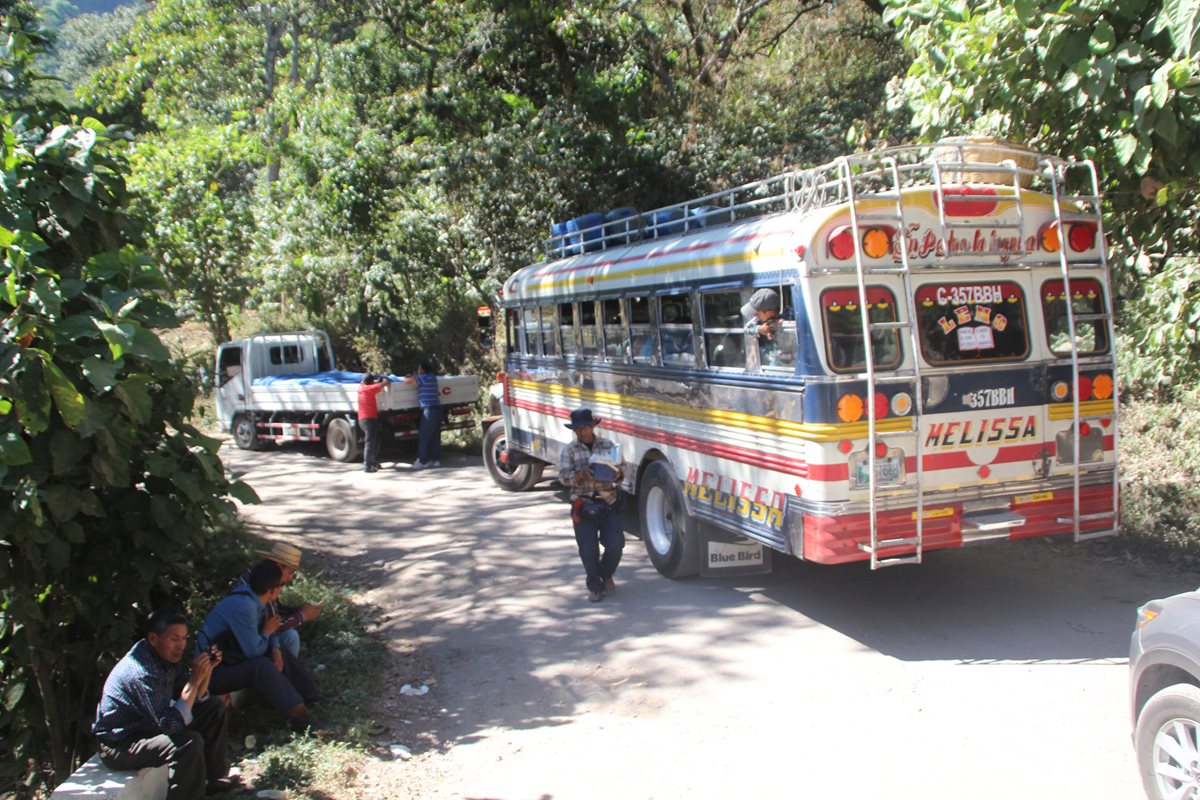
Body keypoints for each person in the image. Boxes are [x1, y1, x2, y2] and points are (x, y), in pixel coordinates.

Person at [93, 610, 234, 798]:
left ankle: (213, 778)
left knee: (213, 706)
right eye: (174, 639)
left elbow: (196, 696)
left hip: (149, 726)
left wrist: (206, 670)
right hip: (121, 744)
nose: (181, 645)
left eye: (184, 638)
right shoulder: (142, 672)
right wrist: (195, 678)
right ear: (153, 638)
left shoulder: (164, 656)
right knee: (188, 743)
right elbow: (171, 724)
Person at [198, 561, 319, 733]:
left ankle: (310, 695)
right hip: (213, 671)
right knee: (260, 666)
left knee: (279, 653)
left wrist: (275, 647)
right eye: (279, 587)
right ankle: (300, 719)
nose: (280, 591)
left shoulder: (255, 598)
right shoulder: (244, 607)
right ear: (272, 590)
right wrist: (267, 633)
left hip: (231, 658)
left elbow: (267, 631)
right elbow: (254, 651)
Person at [558, 408, 626, 602]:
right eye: (578, 429)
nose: (582, 431)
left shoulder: (608, 445)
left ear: (592, 427)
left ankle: (606, 575)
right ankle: (595, 586)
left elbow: (622, 469)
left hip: (608, 501)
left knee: (616, 544)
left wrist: (618, 474)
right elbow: (563, 477)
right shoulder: (569, 450)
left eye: (585, 427)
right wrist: (578, 475)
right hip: (582, 503)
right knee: (588, 550)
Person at [231, 541, 322, 659]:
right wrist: (301, 616)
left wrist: (299, 609)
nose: (290, 578)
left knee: (289, 636)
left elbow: (274, 612)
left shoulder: (263, 578)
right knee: (291, 636)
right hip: (242, 642)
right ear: (279, 566)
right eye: (290, 572)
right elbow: (270, 624)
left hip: (258, 635)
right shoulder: (258, 583)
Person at [407, 362, 442, 469]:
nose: (418, 371)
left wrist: (412, 376)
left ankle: (422, 461)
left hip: (428, 410)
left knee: (424, 436)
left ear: (422, 370)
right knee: (435, 436)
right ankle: (435, 460)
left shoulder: (422, 378)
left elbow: (408, 381)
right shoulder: (433, 378)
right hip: (437, 408)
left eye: (419, 369)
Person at [358, 372, 392, 473]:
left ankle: (372, 462)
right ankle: (367, 465)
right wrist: (384, 377)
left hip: (362, 419)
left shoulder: (360, 388)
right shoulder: (370, 389)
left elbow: (370, 382)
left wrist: (376, 380)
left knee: (372, 441)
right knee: (370, 442)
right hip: (370, 419)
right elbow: (386, 383)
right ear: (371, 382)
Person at [742, 287, 781, 367]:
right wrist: (759, 329)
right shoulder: (758, 320)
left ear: (768, 312)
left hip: (784, 363)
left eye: (757, 312)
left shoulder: (787, 315)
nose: (755, 315)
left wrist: (780, 325)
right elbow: (746, 328)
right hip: (767, 362)